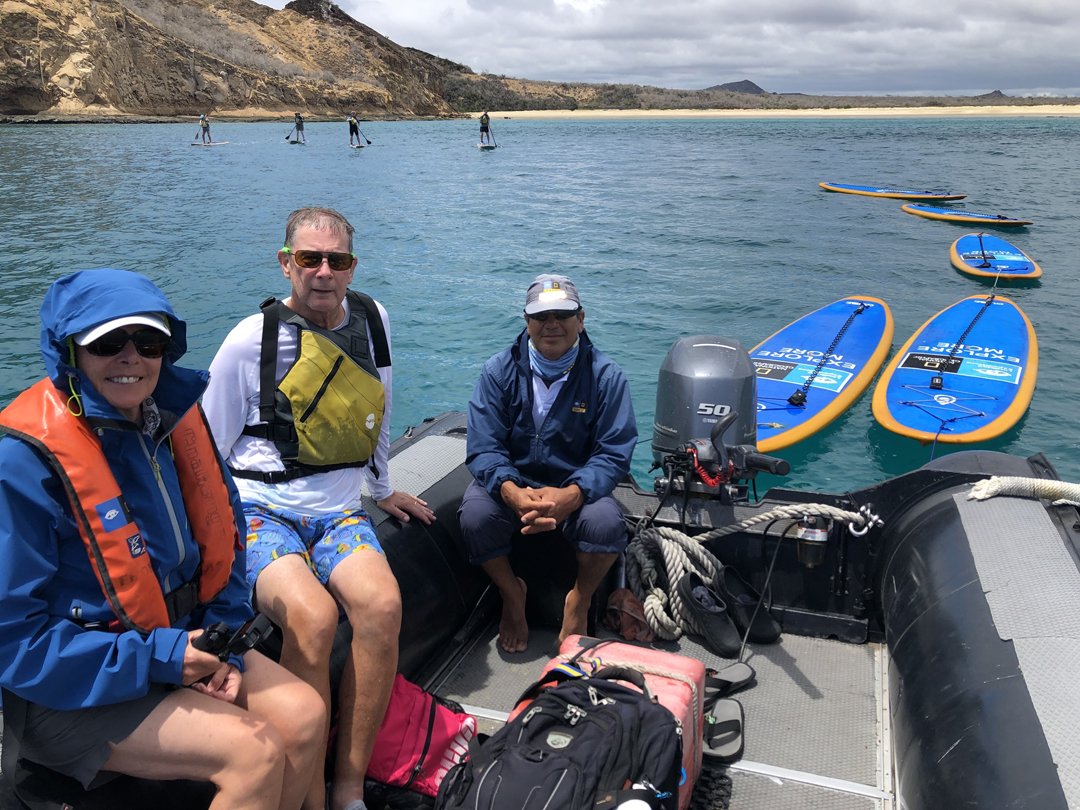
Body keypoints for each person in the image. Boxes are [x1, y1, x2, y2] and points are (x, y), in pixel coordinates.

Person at [0, 268, 325, 810]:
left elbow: (227, 534)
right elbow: (14, 640)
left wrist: (220, 644)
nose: (131, 357)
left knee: (305, 713)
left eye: (148, 343)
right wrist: (166, 659)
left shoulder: (172, 424)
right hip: (72, 686)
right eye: (107, 343)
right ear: (71, 353)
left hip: (176, 645)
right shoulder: (22, 463)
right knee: (254, 752)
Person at [203, 206, 435, 810]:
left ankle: (348, 788)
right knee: (311, 616)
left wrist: (382, 488)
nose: (324, 272)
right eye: (310, 259)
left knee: (382, 605)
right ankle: (307, 798)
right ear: (287, 264)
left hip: (340, 512)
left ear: (352, 267)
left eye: (338, 260)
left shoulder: (373, 320)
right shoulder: (249, 341)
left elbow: (377, 407)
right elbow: (205, 449)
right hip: (261, 510)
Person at [458, 273, 637, 653]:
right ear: (527, 321)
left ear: (581, 319)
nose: (551, 324)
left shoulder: (607, 377)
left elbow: (614, 452)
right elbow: (484, 446)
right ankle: (512, 593)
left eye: (562, 315)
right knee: (475, 516)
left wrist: (574, 493)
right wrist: (510, 490)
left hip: (576, 485)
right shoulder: (498, 371)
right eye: (541, 316)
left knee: (605, 523)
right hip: (515, 480)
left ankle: (580, 601)